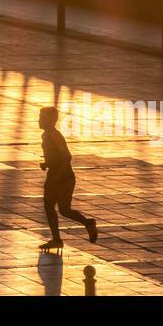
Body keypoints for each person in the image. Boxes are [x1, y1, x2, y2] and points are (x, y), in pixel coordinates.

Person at [38, 106, 98, 250]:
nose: (39, 120)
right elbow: (55, 156)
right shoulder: (46, 135)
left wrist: (59, 174)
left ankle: (86, 224)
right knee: (54, 208)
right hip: (55, 174)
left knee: (61, 209)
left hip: (63, 177)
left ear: (52, 120)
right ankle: (59, 238)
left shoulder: (54, 135)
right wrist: (47, 163)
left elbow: (67, 156)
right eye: (40, 117)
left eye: (42, 118)